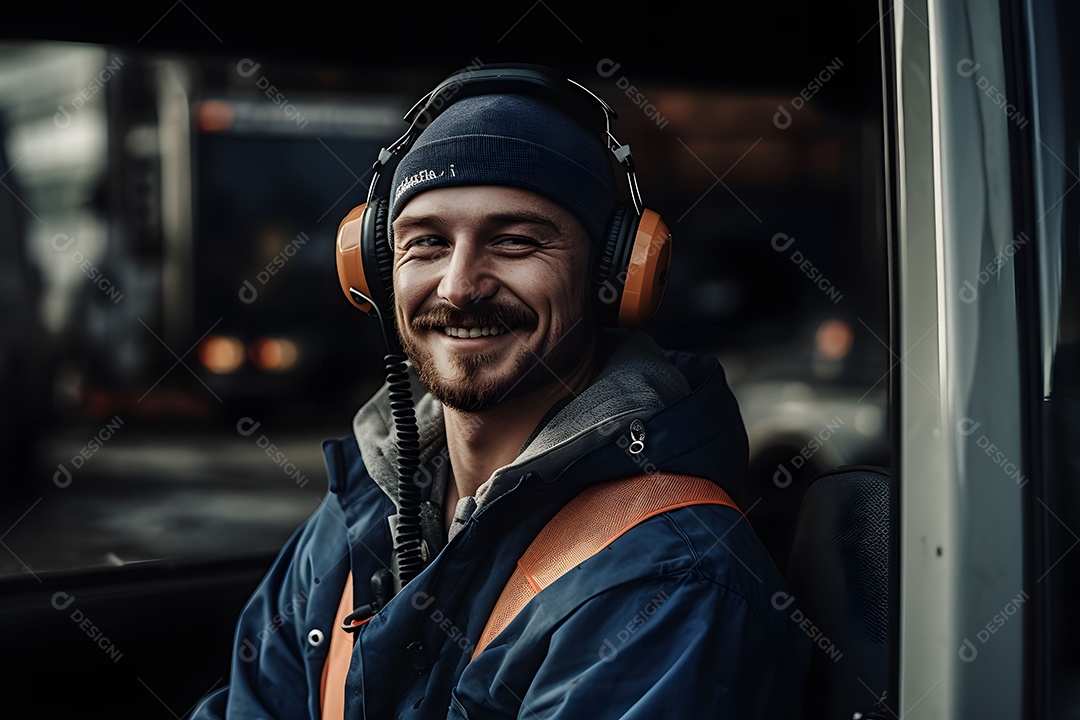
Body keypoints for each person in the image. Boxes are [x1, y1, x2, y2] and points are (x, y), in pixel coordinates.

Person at [192, 62, 810, 719]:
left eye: (515, 242)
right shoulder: (357, 519)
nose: (459, 286)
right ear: (373, 268)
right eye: (427, 243)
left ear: (615, 275)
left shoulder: (671, 575)